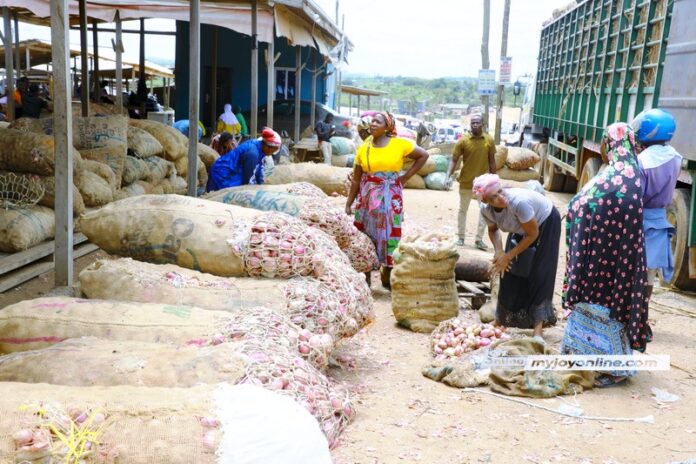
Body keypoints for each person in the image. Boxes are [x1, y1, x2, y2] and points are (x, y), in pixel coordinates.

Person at [563, 122, 650, 387]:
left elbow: (580, 204)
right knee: (614, 306)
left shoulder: (614, 176)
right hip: (622, 260)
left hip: (599, 259)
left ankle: (606, 367)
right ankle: (610, 364)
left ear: (610, 143)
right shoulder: (633, 174)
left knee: (596, 303)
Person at [345, 111, 429, 288]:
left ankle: (388, 275)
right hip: (367, 198)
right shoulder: (364, 148)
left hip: (391, 195)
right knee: (364, 233)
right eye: (372, 121)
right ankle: (366, 274)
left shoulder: (399, 144)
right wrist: (349, 203)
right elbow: (356, 179)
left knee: (390, 232)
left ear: (387, 127)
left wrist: (405, 178)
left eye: (378, 121)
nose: (373, 124)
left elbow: (423, 156)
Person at [474, 173, 561, 341]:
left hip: (545, 222)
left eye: (500, 191)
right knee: (509, 270)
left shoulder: (518, 203)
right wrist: (499, 252)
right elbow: (493, 230)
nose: (501, 197)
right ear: (485, 200)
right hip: (521, 227)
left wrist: (508, 255)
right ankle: (500, 320)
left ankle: (537, 330)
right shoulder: (485, 209)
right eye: (494, 197)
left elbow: (532, 234)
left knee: (541, 272)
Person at [631, 108, 682, 300]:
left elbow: (636, 195)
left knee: (632, 269)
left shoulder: (642, 161)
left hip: (640, 219)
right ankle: (643, 311)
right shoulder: (676, 157)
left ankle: (629, 311)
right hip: (659, 219)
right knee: (649, 272)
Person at [446, 114, 496, 250]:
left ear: (482, 124)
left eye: (477, 122)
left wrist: (494, 180)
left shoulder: (489, 140)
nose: (475, 125)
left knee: (484, 210)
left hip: (483, 184)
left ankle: (479, 239)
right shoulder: (463, 140)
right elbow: (454, 159)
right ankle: (461, 237)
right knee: (463, 210)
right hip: (466, 181)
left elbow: (492, 161)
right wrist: (448, 175)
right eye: (473, 123)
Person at [207, 127, 281, 192]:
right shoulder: (252, 154)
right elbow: (248, 177)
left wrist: (261, 184)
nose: (272, 154)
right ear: (267, 147)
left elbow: (258, 169)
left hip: (230, 171)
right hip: (222, 173)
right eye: (273, 151)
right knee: (221, 196)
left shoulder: (260, 148)